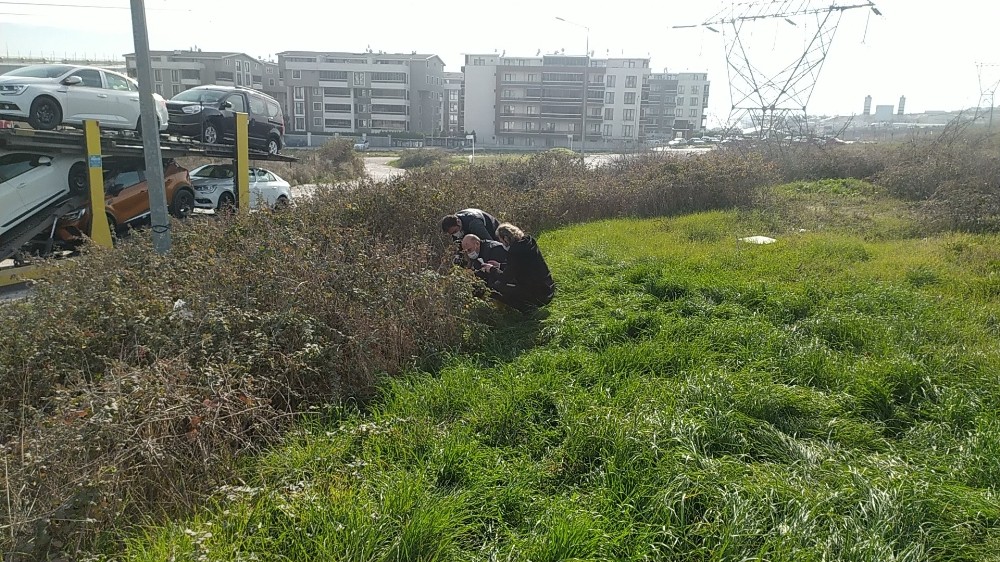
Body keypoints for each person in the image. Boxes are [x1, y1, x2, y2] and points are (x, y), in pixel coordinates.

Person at [489, 223, 556, 313]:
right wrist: (500, 266)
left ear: (505, 238)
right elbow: (521, 266)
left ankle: (526, 309)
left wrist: (491, 269)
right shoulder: (529, 242)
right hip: (548, 287)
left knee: (497, 286)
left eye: (501, 241)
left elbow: (505, 277)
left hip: (539, 295)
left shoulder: (514, 252)